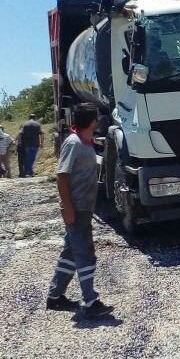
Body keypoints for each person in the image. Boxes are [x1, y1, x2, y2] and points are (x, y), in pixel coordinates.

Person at [46, 102, 114, 318]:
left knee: (71, 253)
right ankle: (90, 302)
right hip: (76, 208)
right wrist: (67, 208)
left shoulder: (85, 143)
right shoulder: (73, 143)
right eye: (97, 117)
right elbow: (62, 175)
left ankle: (55, 297)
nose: (99, 121)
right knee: (85, 254)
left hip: (84, 208)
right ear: (91, 120)